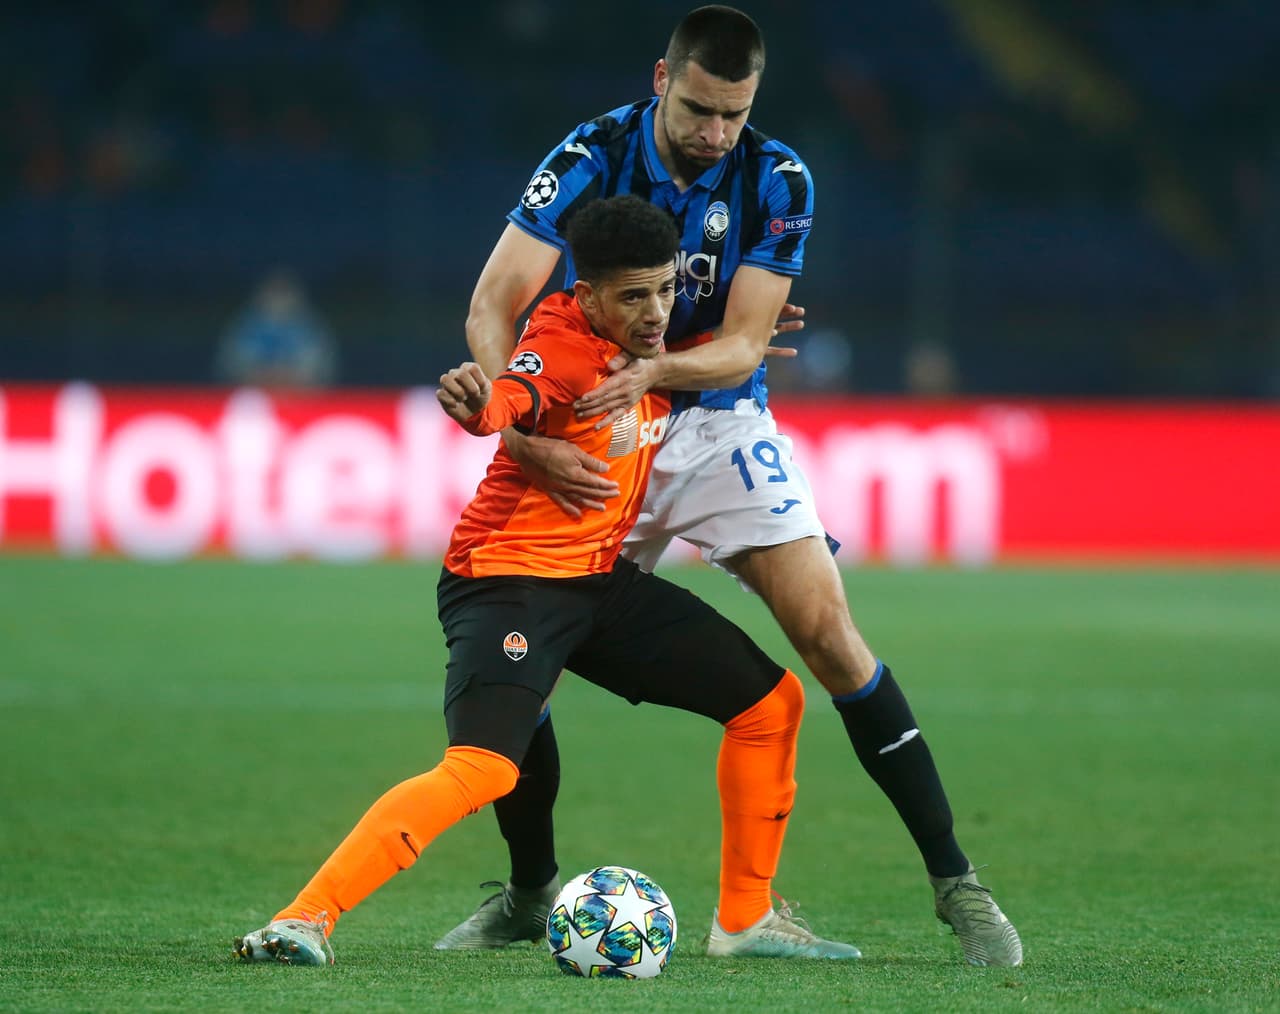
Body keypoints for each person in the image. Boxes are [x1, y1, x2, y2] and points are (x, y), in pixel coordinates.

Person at [437, 5, 1022, 967]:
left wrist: (658, 371)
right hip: (589, 428)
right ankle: (531, 891)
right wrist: (533, 437)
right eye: (701, 109)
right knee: (520, 667)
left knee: (830, 637)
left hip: (716, 425)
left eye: (734, 115)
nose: (716, 134)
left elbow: (749, 342)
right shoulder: (589, 152)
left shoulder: (780, 175)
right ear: (662, 80)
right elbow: (493, 303)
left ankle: (958, 885)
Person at [232, 195, 857, 965]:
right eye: (634, 297)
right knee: (486, 766)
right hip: (507, 582)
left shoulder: (658, 338)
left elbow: (711, 341)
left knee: (771, 704)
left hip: (597, 580)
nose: (656, 312)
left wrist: (743, 338)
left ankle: (745, 920)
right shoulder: (561, 345)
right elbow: (514, 395)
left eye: (665, 289)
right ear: (585, 295)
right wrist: (480, 405)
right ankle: (303, 918)